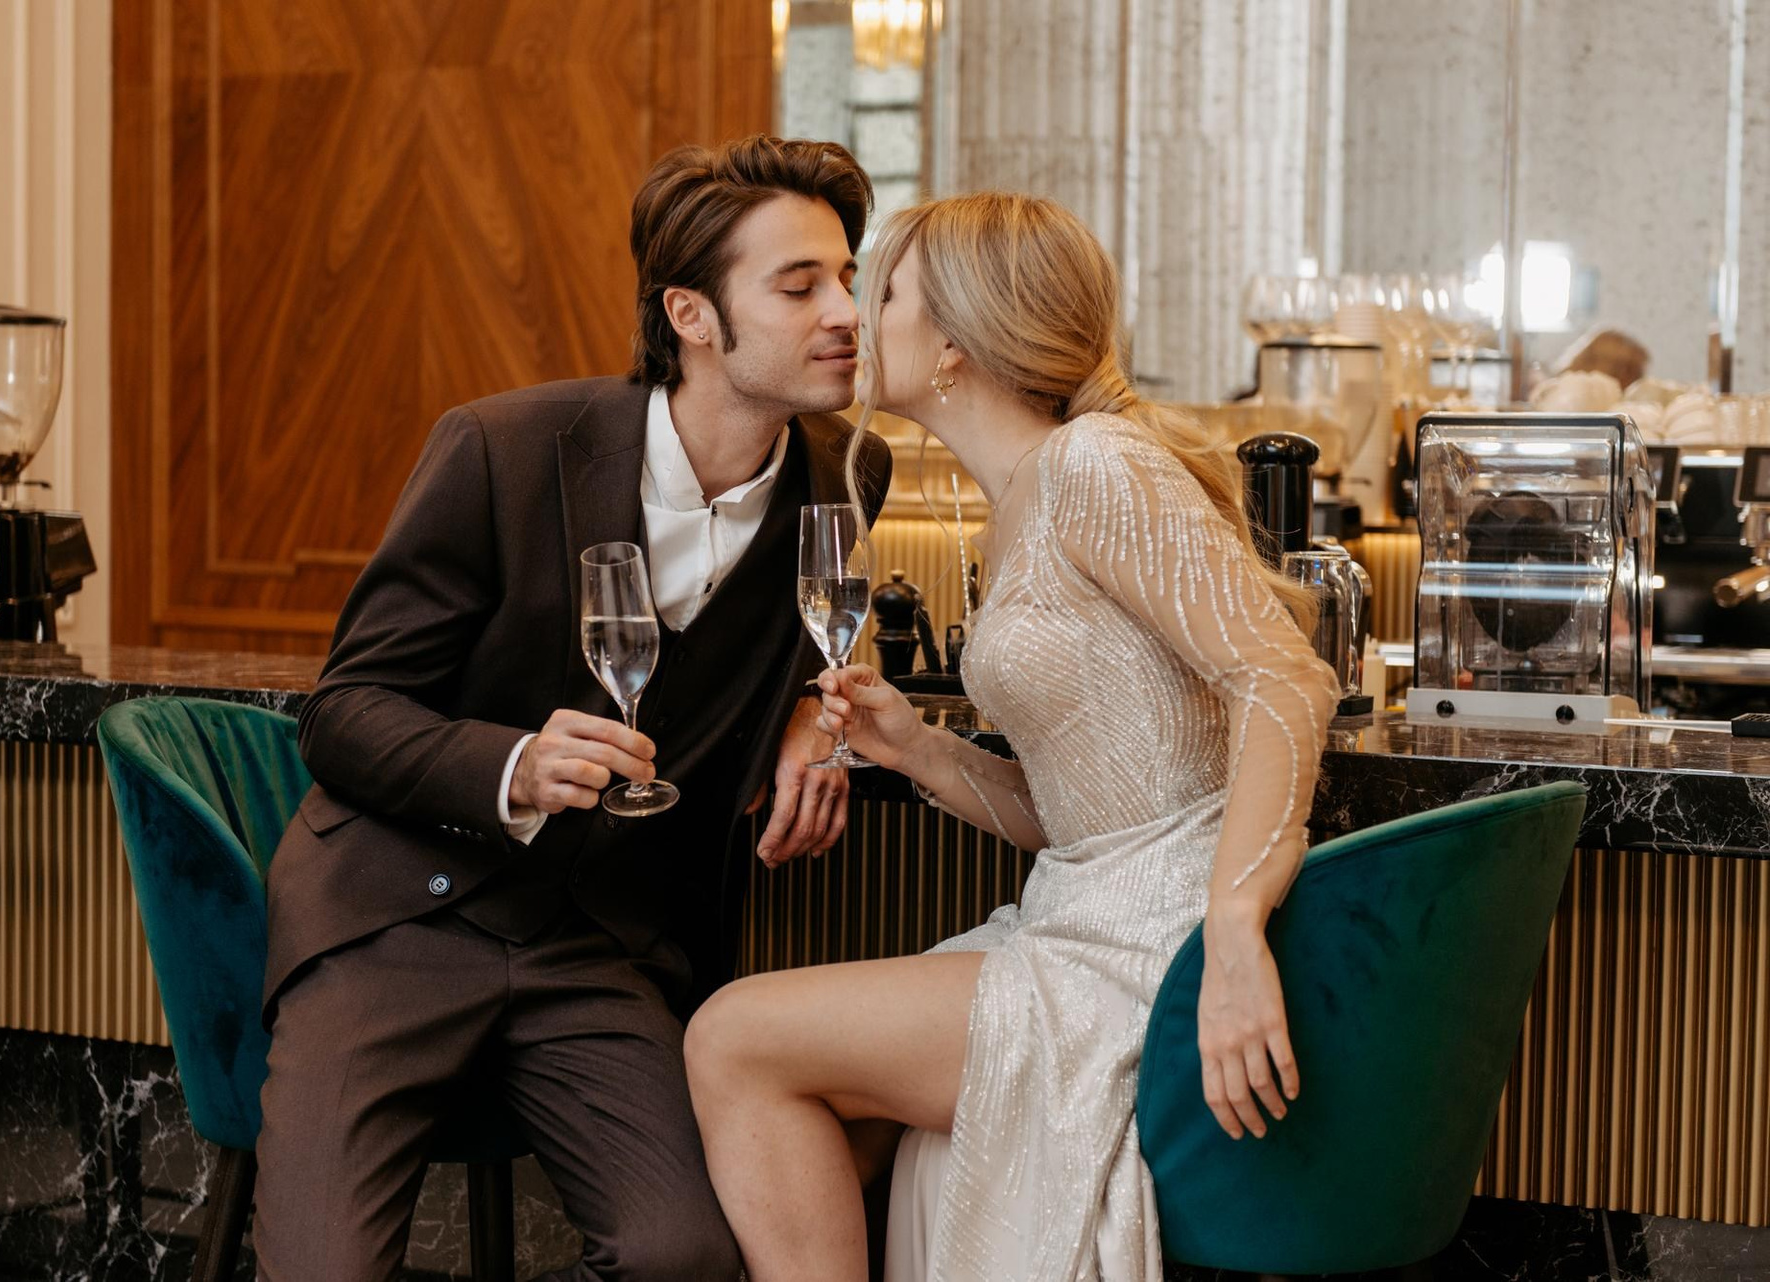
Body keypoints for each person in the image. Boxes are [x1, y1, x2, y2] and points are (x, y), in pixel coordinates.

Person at [252, 134, 893, 1280]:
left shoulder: (848, 471)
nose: (846, 311)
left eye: (847, 276)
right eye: (799, 286)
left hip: (597, 944)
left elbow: (817, 624)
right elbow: (344, 710)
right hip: (404, 917)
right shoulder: (499, 448)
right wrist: (512, 766)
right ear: (692, 316)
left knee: (684, 1257)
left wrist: (818, 712)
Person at [683, 192, 1340, 1281]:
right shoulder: (1024, 498)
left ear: (953, 341)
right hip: (1079, 914)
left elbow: (1284, 677)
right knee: (829, 1118)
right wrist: (919, 750)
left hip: (1152, 946)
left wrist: (1232, 930)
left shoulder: (1096, 465)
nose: (851, 314)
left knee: (731, 1037)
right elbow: (1086, 819)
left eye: (881, 291)